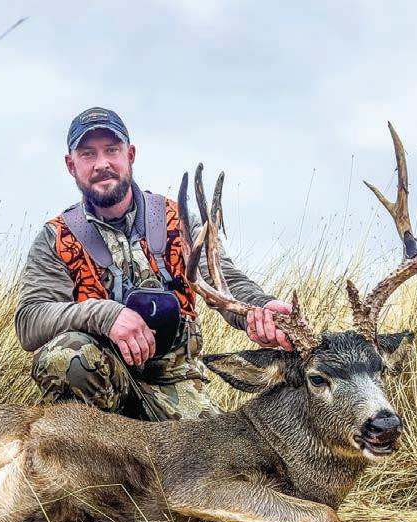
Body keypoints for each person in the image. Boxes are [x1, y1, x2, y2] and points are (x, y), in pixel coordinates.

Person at [15, 107, 292, 420]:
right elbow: (30, 319)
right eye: (88, 154)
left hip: (175, 381)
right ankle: (87, 448)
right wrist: (105, 315)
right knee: (65, 357)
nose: (102, 164)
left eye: (112, 150)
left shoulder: (176, 220)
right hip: (102, 378)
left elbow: (224, 281)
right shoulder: (58, 237)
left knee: (223, 451)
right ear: (71, 165)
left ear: (130, 154)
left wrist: (261, 309)